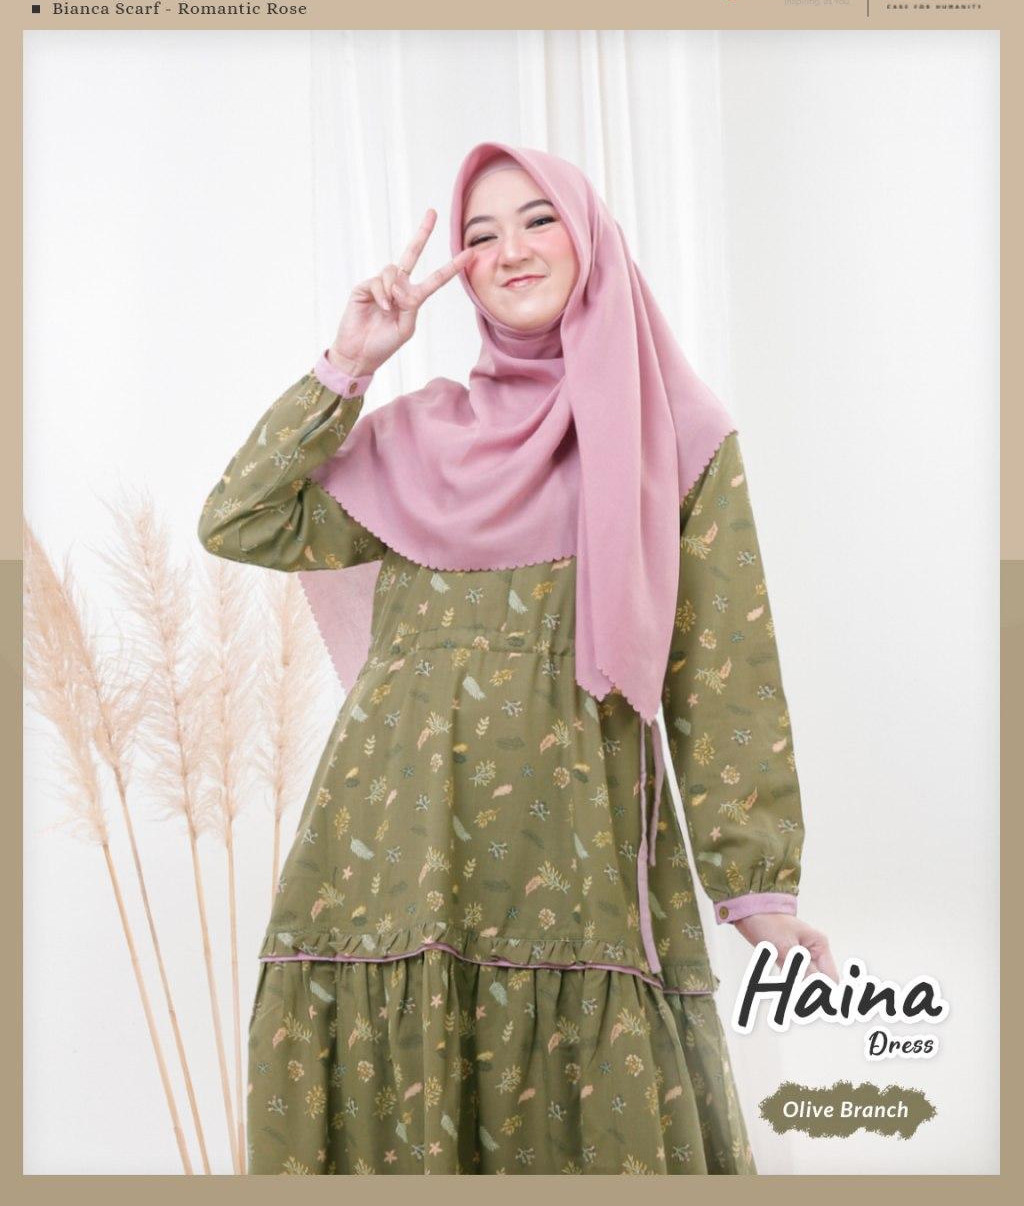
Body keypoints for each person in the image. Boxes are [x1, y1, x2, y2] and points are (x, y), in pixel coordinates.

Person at [198, 142, 835, 1175]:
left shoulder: (678, 439)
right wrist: (350, 362)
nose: (511, 250)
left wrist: (758, 892)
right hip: (390, 863)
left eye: (540, 220)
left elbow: (724, 670)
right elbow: (241, 520)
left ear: (590, 239)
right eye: (480, 235)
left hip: (576, 869)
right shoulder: (419, 436)